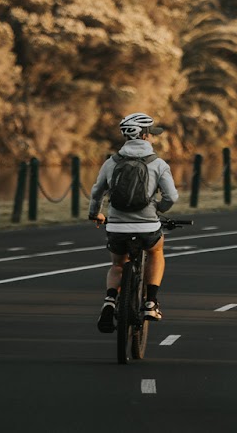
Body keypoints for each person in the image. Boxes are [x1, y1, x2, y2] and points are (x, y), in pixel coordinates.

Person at [88, 112, 179, 331]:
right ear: (145, 135)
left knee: (118, 264)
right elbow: (171, 197)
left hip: (117, 226)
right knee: (156, 252)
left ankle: (110, 300)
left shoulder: (111, 162)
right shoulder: (158, 163)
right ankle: (151, 302)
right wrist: (158, 209)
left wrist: (95, 213)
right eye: (152, 134)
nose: (154, 138)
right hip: (148, 226)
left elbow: (97, 191)